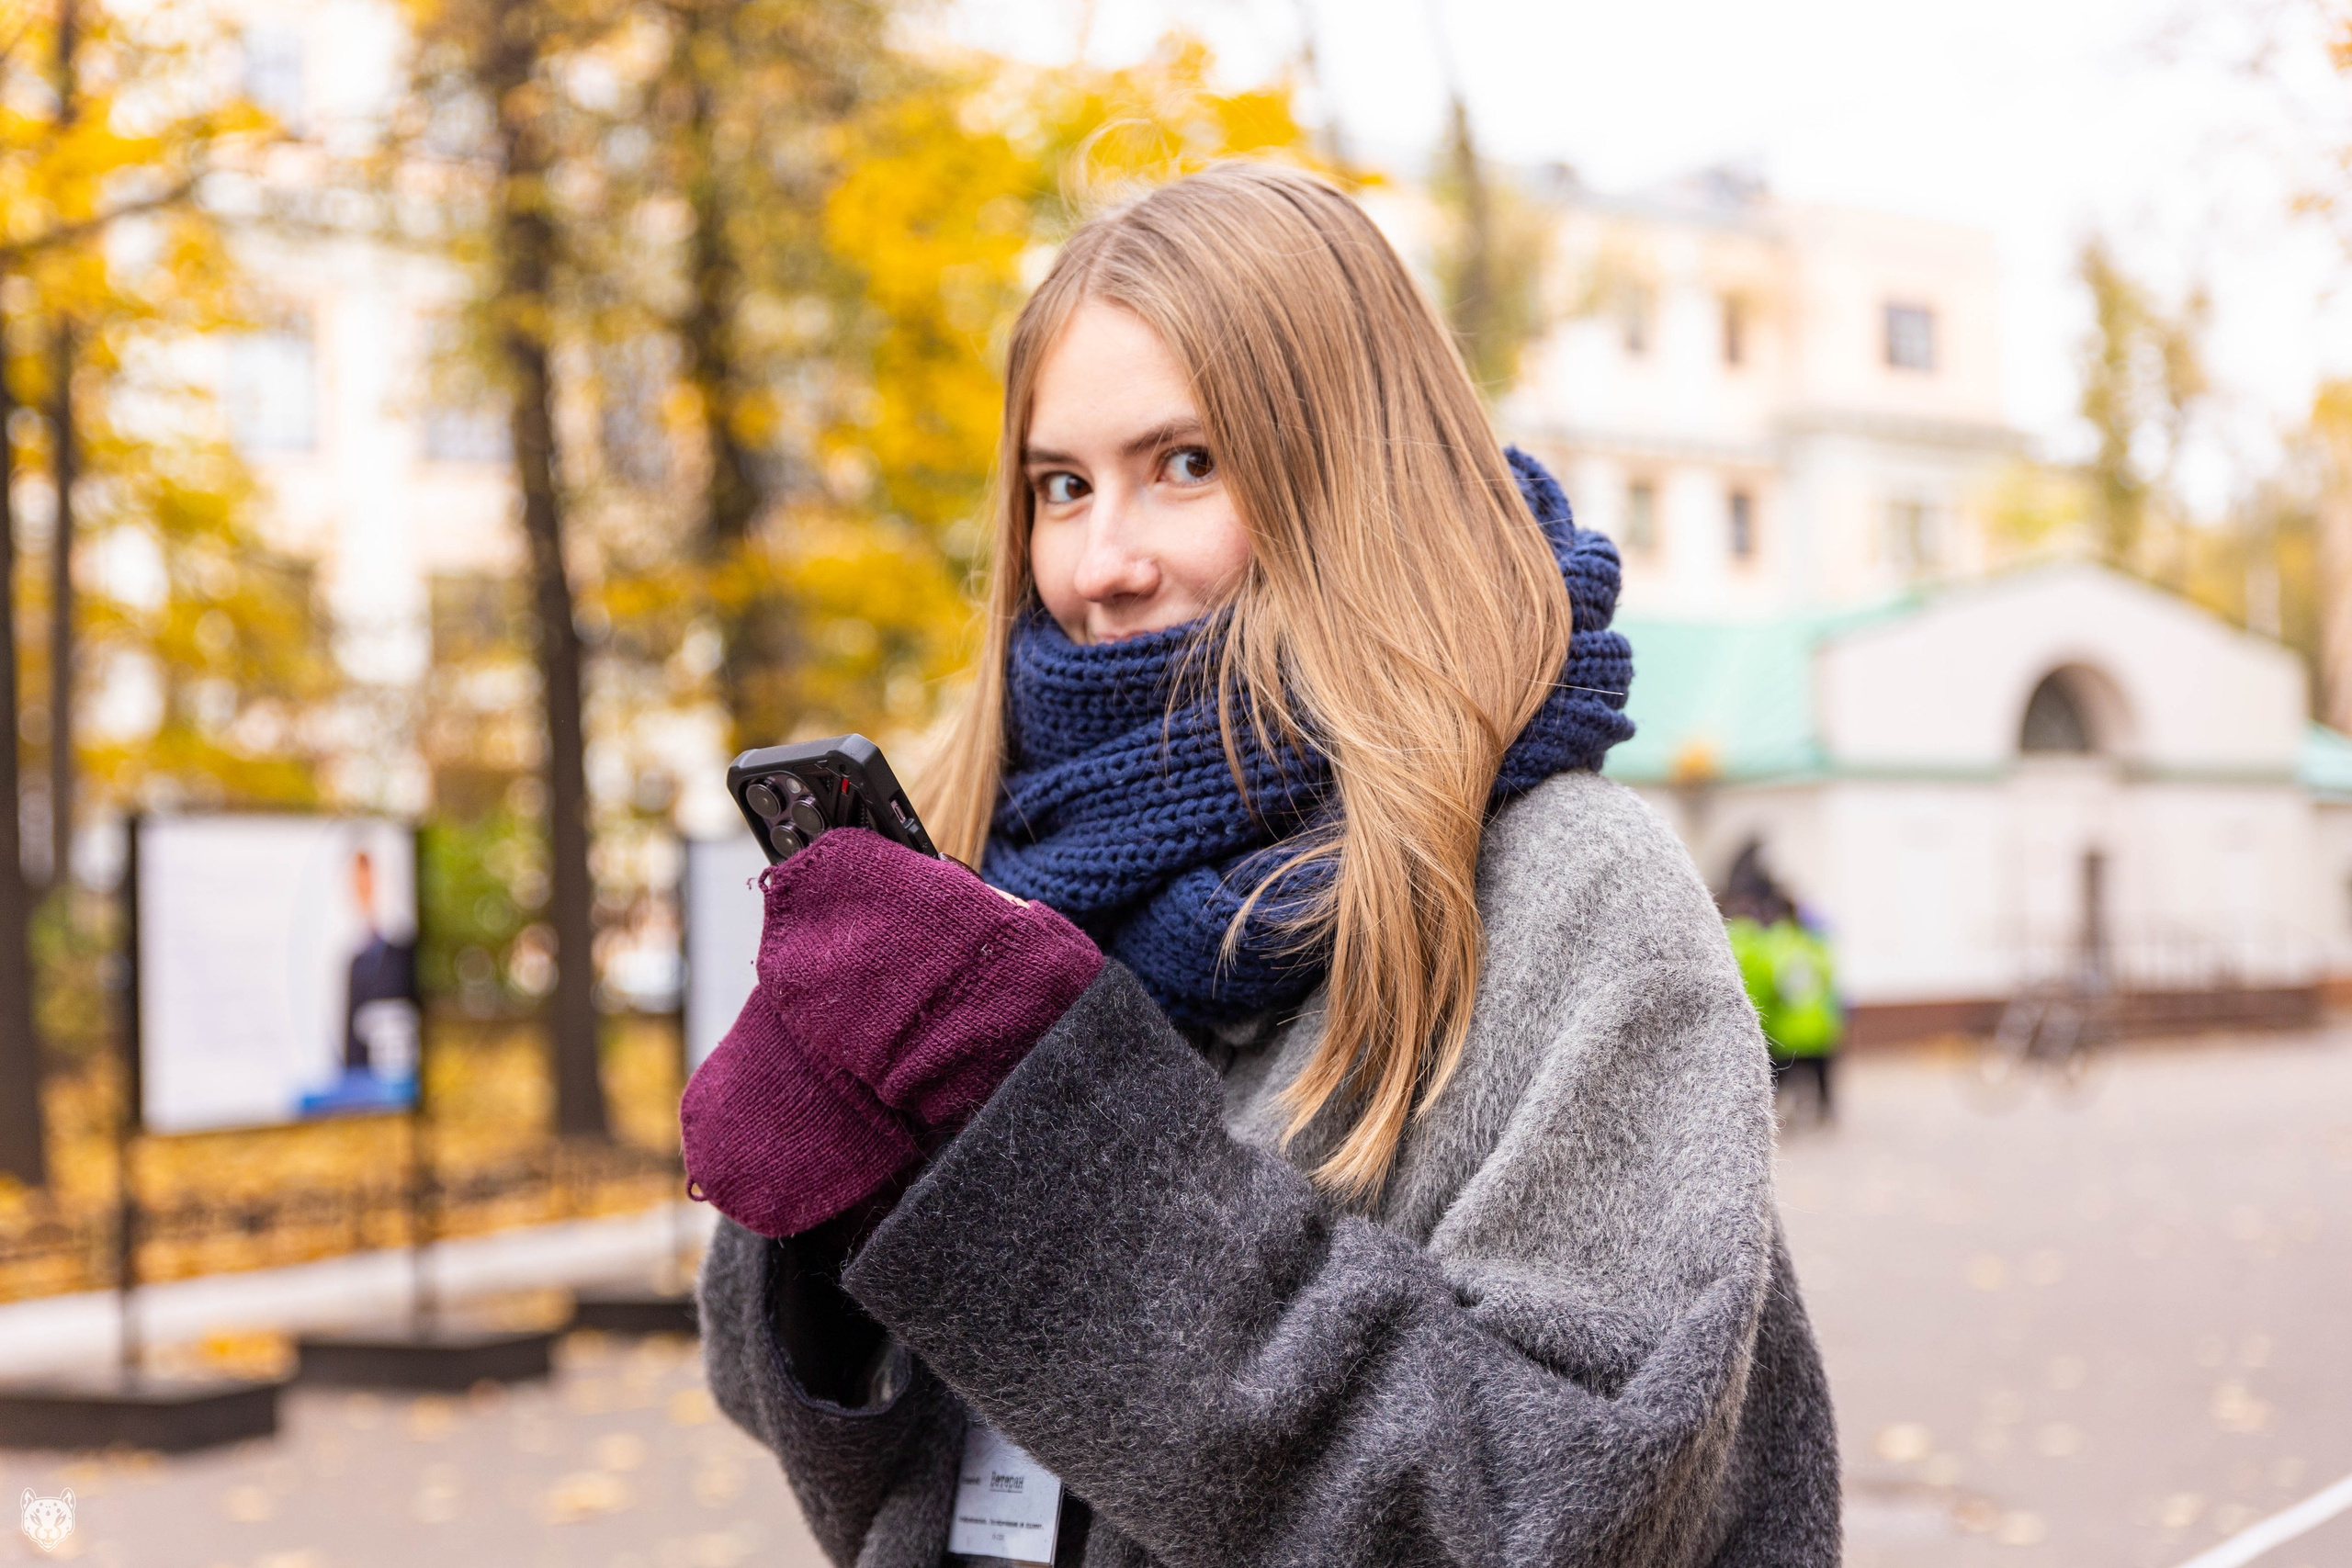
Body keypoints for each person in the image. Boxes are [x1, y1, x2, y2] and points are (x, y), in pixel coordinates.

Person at [681, 163, 1838, 1567]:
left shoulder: (1572, 900)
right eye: (1059, 485)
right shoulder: (1013, 867)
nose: (1101, 562)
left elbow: (1558, 1511)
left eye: (1184, 464)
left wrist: (1041, 1158)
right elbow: (865, 1457)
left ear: (1353, 475)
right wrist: (829, 1223)